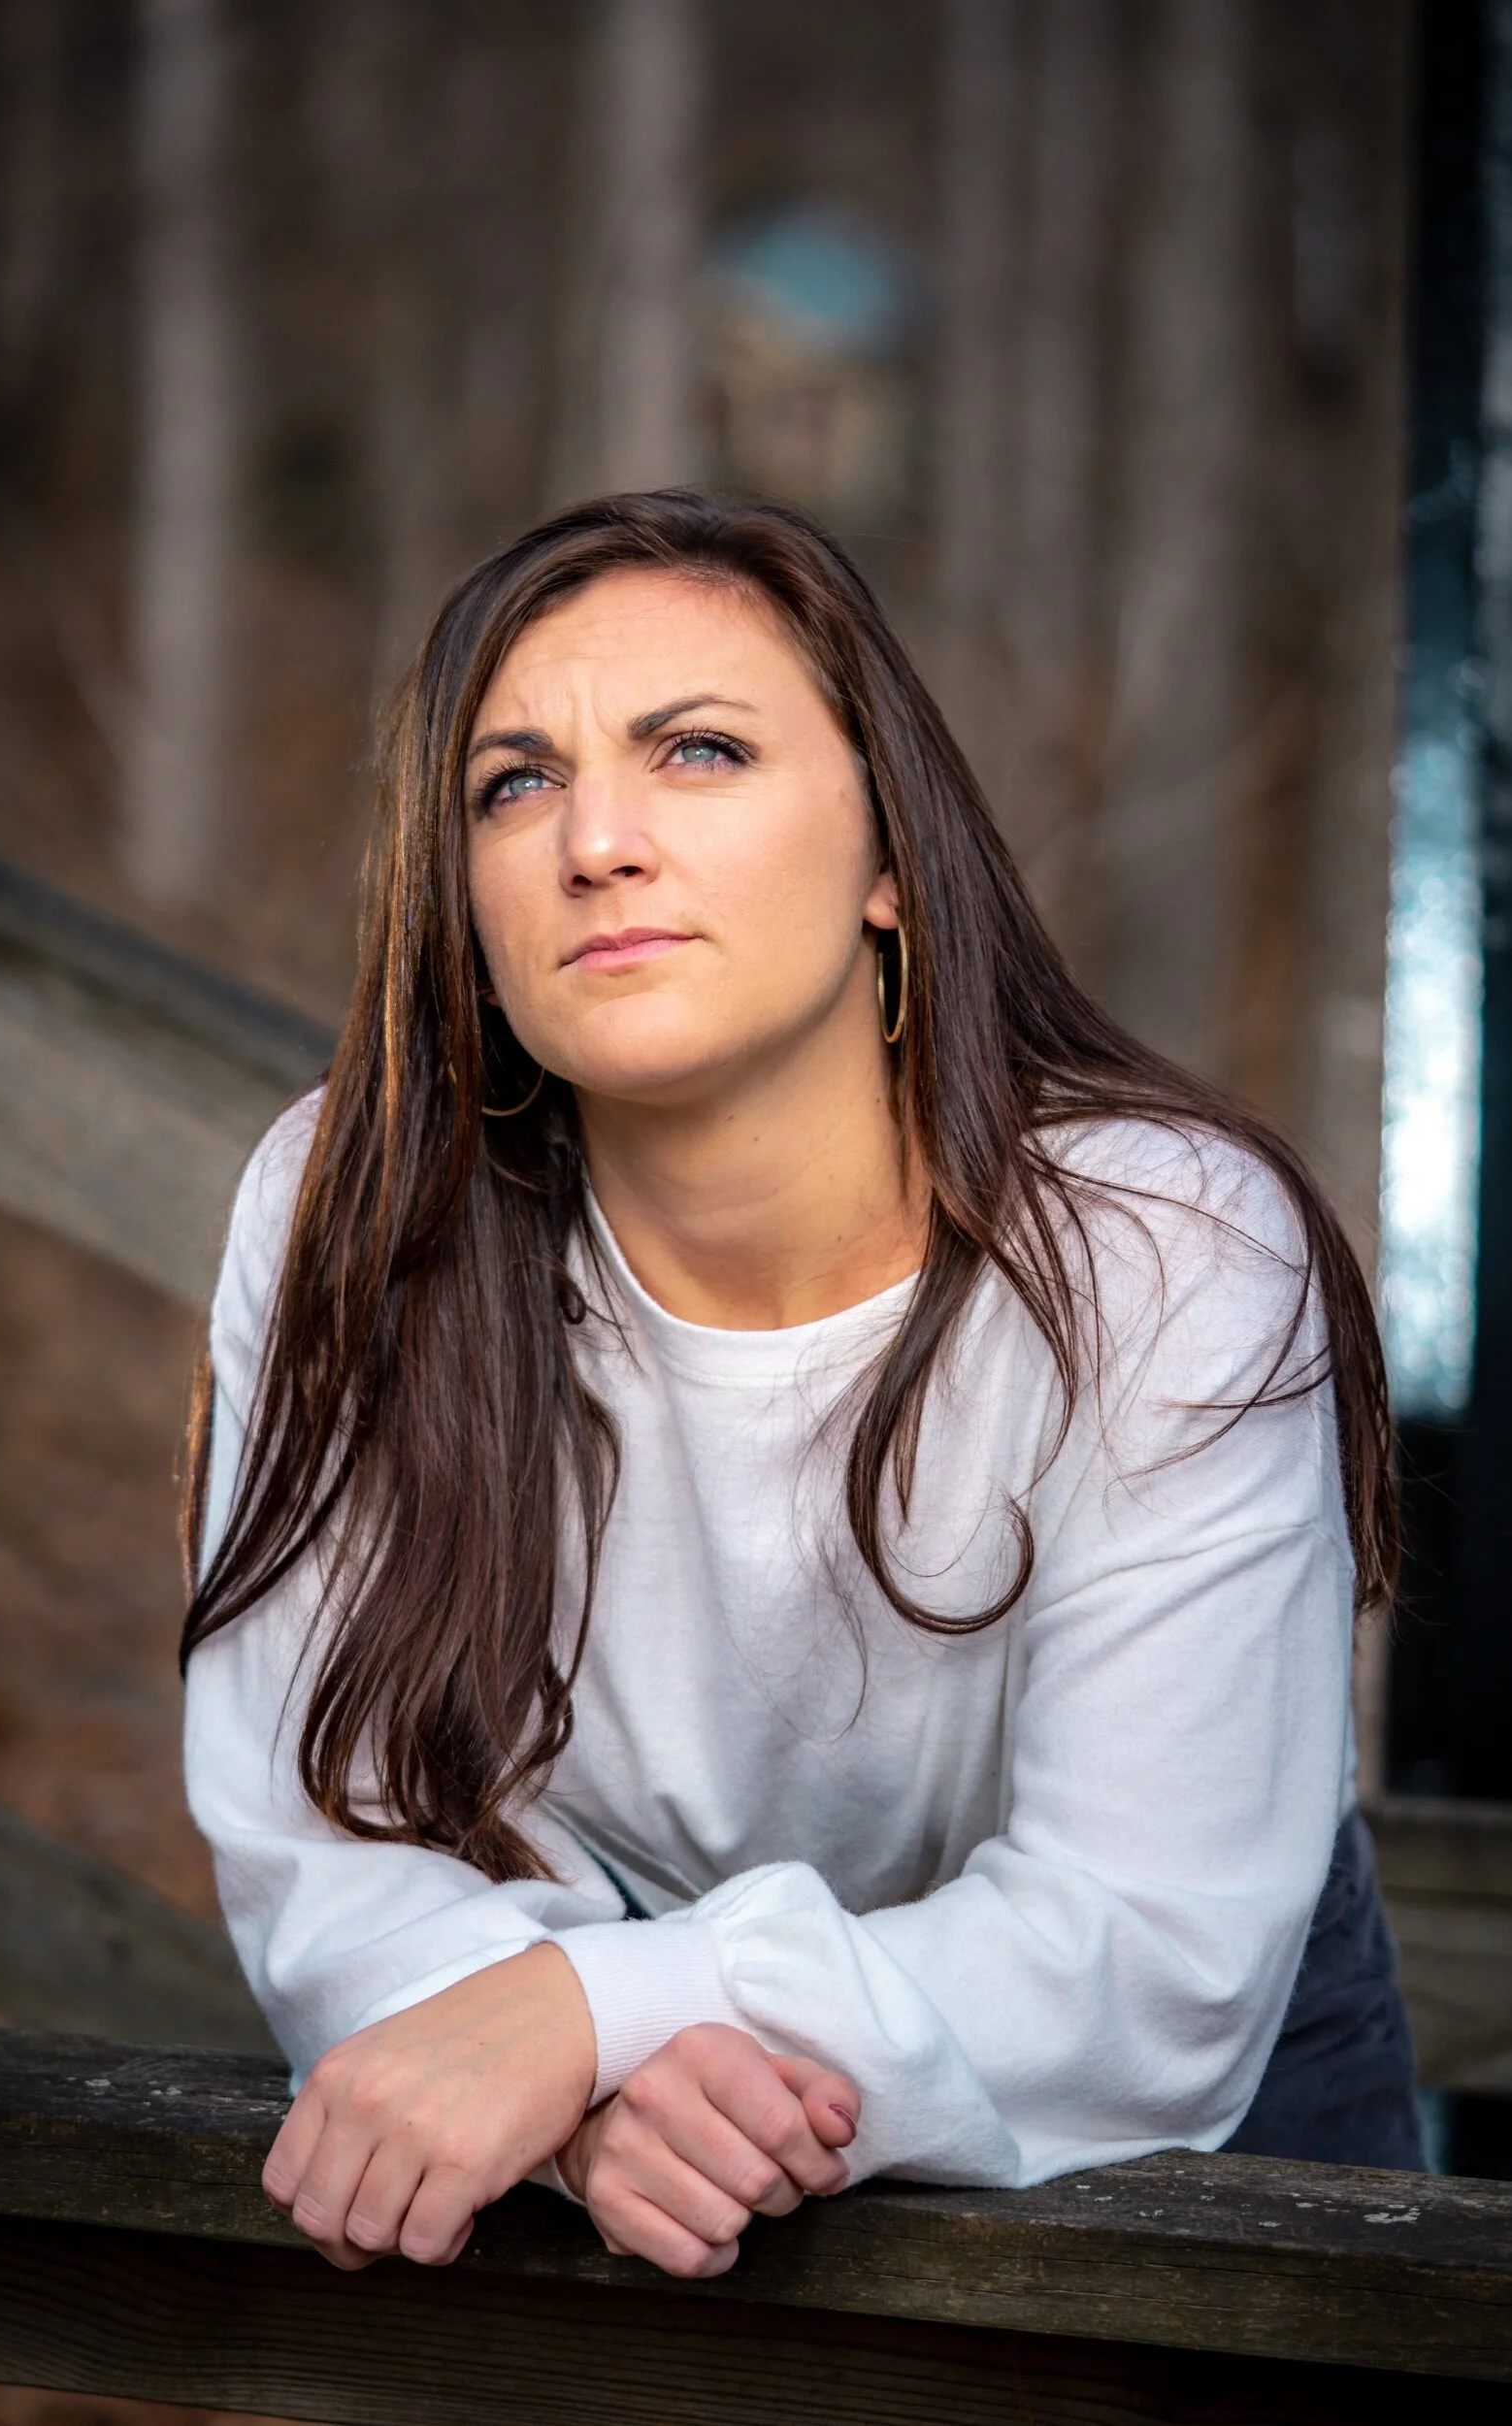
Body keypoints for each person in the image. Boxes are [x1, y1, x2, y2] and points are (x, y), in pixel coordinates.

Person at [181, 489, 1420, 2286]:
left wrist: (589, 2016)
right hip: (604, 2142)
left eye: (698, 750)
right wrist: (583, 2088)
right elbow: (317, 1824)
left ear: (888, 858)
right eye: (513, 784)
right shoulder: (346, 1206)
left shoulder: (1168, 1249)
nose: (595, 838)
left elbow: (1145, 1960)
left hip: (1174, 2089)